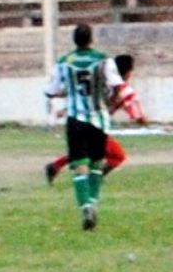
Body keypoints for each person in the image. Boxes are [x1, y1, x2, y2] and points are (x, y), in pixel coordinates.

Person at [44, 23, 124, 231]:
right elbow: (118, 86)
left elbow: (50, 91)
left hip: (76, 119)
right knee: (96, 165)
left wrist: (68, 92)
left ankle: (86, 207)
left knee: (80, 166)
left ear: (74, 40)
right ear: (91, 39)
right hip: (99, 120)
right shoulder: (104, 60)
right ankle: (93, 203)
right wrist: (111, 102)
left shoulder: (64, 62)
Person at [44, 54, 147, 184]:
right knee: (117, 156)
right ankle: (94, 178)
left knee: (86, 152)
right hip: (97, 125)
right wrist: (148, 122)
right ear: (128, 72)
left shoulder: (99, 81)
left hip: (78, 122)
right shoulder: (125, 91)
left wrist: (65, 109)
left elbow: (82, 95)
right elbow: (139, 117)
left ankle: (55, 167)